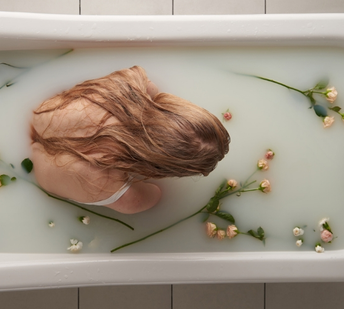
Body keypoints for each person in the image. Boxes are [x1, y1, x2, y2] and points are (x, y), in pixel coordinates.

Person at [30, 66, 230, 214]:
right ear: (160, 168)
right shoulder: (124, 195)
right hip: (38, 171)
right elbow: (154, 195)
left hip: (36, 114)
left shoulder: (126, 85)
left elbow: (153, 91)